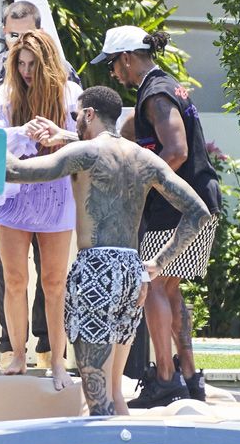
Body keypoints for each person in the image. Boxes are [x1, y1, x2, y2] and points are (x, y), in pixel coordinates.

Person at [7, 86, 210, 415]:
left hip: (96, 273)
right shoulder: (144, 159)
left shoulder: (85, 154)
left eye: (76, 115)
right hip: (133, 273)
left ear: (89, 114)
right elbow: (198, 210)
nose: (73, 122)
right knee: (116, 395)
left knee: (98, 401)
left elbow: (16, 172)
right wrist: (159, 262)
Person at [91, 26, 222, 407]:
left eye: (114, 64)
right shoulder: (169, 85)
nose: (114, 73)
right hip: (198, 201)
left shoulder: (155, 93)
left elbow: (176, 150)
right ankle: (189, 377)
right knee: (169, 288)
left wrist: (138, 187)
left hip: (176, 207)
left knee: (152, 285)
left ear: (128, 58)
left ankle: (165, 379)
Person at [0, 29, 81, 390]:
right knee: (14, 280)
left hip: (56, 194)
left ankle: (58, 361)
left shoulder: (70, 94)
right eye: (20, 63)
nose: (26, 71)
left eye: (32, 64)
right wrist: (22, 132)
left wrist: (60, 134)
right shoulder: (4, 95)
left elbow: (90, 139)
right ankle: (17, 355)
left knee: (55, 282)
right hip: (12, 196)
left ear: (47, 65)